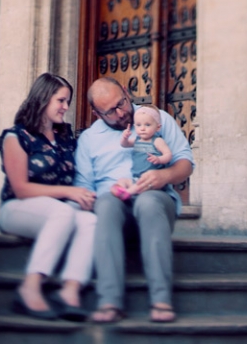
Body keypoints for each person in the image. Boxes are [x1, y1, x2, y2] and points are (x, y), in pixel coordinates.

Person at [74, 76, 193, 324]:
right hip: (115, 208)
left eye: (122, 103)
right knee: (105, 203)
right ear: (96, 113)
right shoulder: (88, 139)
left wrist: (164, 175)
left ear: (127, 92)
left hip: (155, 201)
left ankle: (161, 299)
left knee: (148, 202)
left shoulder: (157, 118)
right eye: (111, 111)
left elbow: (185, 163)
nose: (121, 113)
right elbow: (83, 189)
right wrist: (99, 195)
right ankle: (110, 301)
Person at [0, 73, 97, 321]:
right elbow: (20, 188)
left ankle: (70, 291)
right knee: (63, 211)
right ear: (43, 99)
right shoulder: (16, 136)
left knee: (90, 222)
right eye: (61, 101)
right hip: (17, 208)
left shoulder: (65, 138)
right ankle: (29, 287)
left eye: (67, 102)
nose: (65, 107)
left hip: (56, 211)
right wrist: (68, 192)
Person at [111, 104, 172, 200]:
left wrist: (159, 159)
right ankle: (120, 188)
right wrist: (124, 138)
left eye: (147, 125)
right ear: (135, 126)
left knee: (139, 185)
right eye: (139, 125)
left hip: (150, 179)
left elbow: (168, 154)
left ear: (158, 127)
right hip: (137, 176)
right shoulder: (137, 140)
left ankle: (127, 193)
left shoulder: (157, 141)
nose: (142, 128)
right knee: (123, 180)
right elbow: (125, 144)